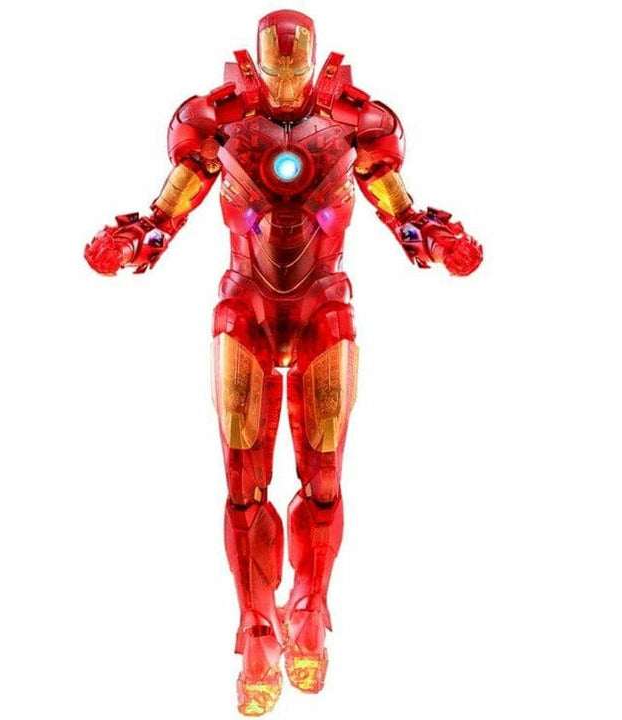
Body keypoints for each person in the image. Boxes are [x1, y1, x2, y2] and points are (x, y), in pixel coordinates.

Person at [84, 9, 482, 716]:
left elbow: (400, 210)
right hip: (245, 307)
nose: (290, 75)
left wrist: (437, 240)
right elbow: (168, 211)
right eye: (279, 62)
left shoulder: (356, 123)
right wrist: (133, 240)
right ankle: (256, 630)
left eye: (297, 62)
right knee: (244, 485)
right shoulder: (219, 120)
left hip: (325, 305)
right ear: (261, 61)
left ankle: (310, 611)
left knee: (322, 480)